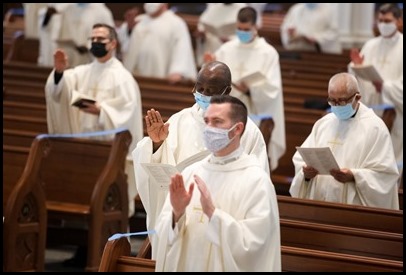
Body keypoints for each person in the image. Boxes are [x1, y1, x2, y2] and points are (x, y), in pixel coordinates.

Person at [133, 61, 270, 259]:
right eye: (200, 87)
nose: (203, 94)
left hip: (223, 219)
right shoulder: (180, 120)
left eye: (211, 90)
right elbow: (157, 170)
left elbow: (256, 182)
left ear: (227, 91)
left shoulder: (247, 132)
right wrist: (156, 145)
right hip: (182, 221)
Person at [154, 95, 281, 272]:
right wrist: (177, 214)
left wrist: (214, 216)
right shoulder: (191, 172)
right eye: (207, 121)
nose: (209, 128)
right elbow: (162, 235)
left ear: (237, 129)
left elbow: (256, 245)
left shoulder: (256, 181)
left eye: (217, 121)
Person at [45, 23, 143, 218]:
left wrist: (102, 111)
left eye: (101, 39)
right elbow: (58, 92)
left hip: (107, 151)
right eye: (93, 39)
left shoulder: (123, 78)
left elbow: (128, 114)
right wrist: (58, 73)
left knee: (105, 203)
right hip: (82, 146)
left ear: (113, 43)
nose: (95, 43)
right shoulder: (81, 72)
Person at [290, 72, 399, 210]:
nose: (336, 106)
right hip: (319, 206)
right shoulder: (324, 123)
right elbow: (301, 160)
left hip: (352, 212)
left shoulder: (375, 128)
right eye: (332, 101)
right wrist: (305, 174)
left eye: (341, 101)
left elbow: (385, 175)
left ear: (357, 97)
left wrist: (354, 175)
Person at [205, 7, 286, 171]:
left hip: (253, 115)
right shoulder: (226, 49)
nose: (242, 32)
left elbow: (273, 90)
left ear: (256, 26)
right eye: (239, 29)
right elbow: (212, 81)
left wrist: (250, 90)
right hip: (225, 114)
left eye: (246, 29)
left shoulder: (268, 53)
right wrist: (209, 65)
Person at [349, 3, 403, 166]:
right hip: (371, 110)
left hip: (395, 114)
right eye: (380, 20)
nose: (383, 25)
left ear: (399, 21)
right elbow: (355, 79)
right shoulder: (370, 45)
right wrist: (356, 67)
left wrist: (385, 87)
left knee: (389, 158)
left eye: (387, 21)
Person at [123, 3, 197, 84]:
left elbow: (182, 49)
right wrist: (129, 30)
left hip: (161, 78)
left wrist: (177, 70)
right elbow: (122, 44)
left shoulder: (176, 23)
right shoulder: (138, 20)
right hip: (135, 77)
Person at [55, 3, 115, 68]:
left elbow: (109, 38)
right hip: (70, 62)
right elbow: (62, 34)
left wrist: (89, 47)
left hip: (91, 62)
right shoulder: (68, 9)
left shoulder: (102, 12)